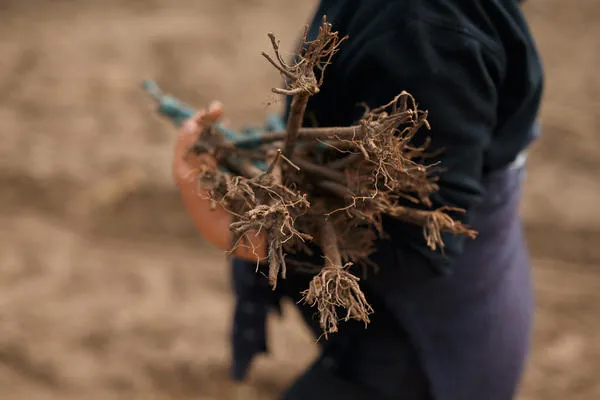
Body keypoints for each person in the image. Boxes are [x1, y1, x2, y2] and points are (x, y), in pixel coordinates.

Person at [172, 0, 544, 399]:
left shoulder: (426, 33)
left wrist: (245, 234)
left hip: (426, 350)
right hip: (411, 316)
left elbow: (415, 250)